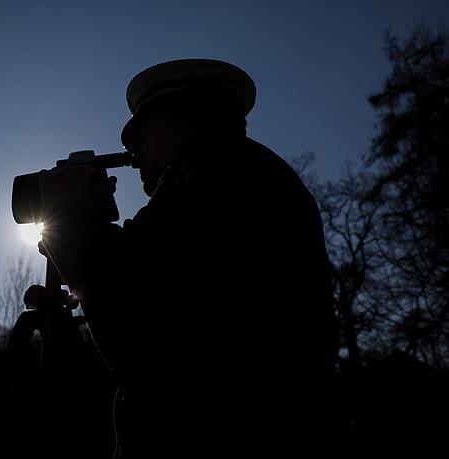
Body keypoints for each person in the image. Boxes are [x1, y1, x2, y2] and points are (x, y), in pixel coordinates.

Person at [37, 59, 338, 456]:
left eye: (141, 135)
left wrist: (71, 218)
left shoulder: (218, 172)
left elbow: (144, 337)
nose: (133, 153)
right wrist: (63, 323)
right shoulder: (242, 174)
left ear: (186, 121)